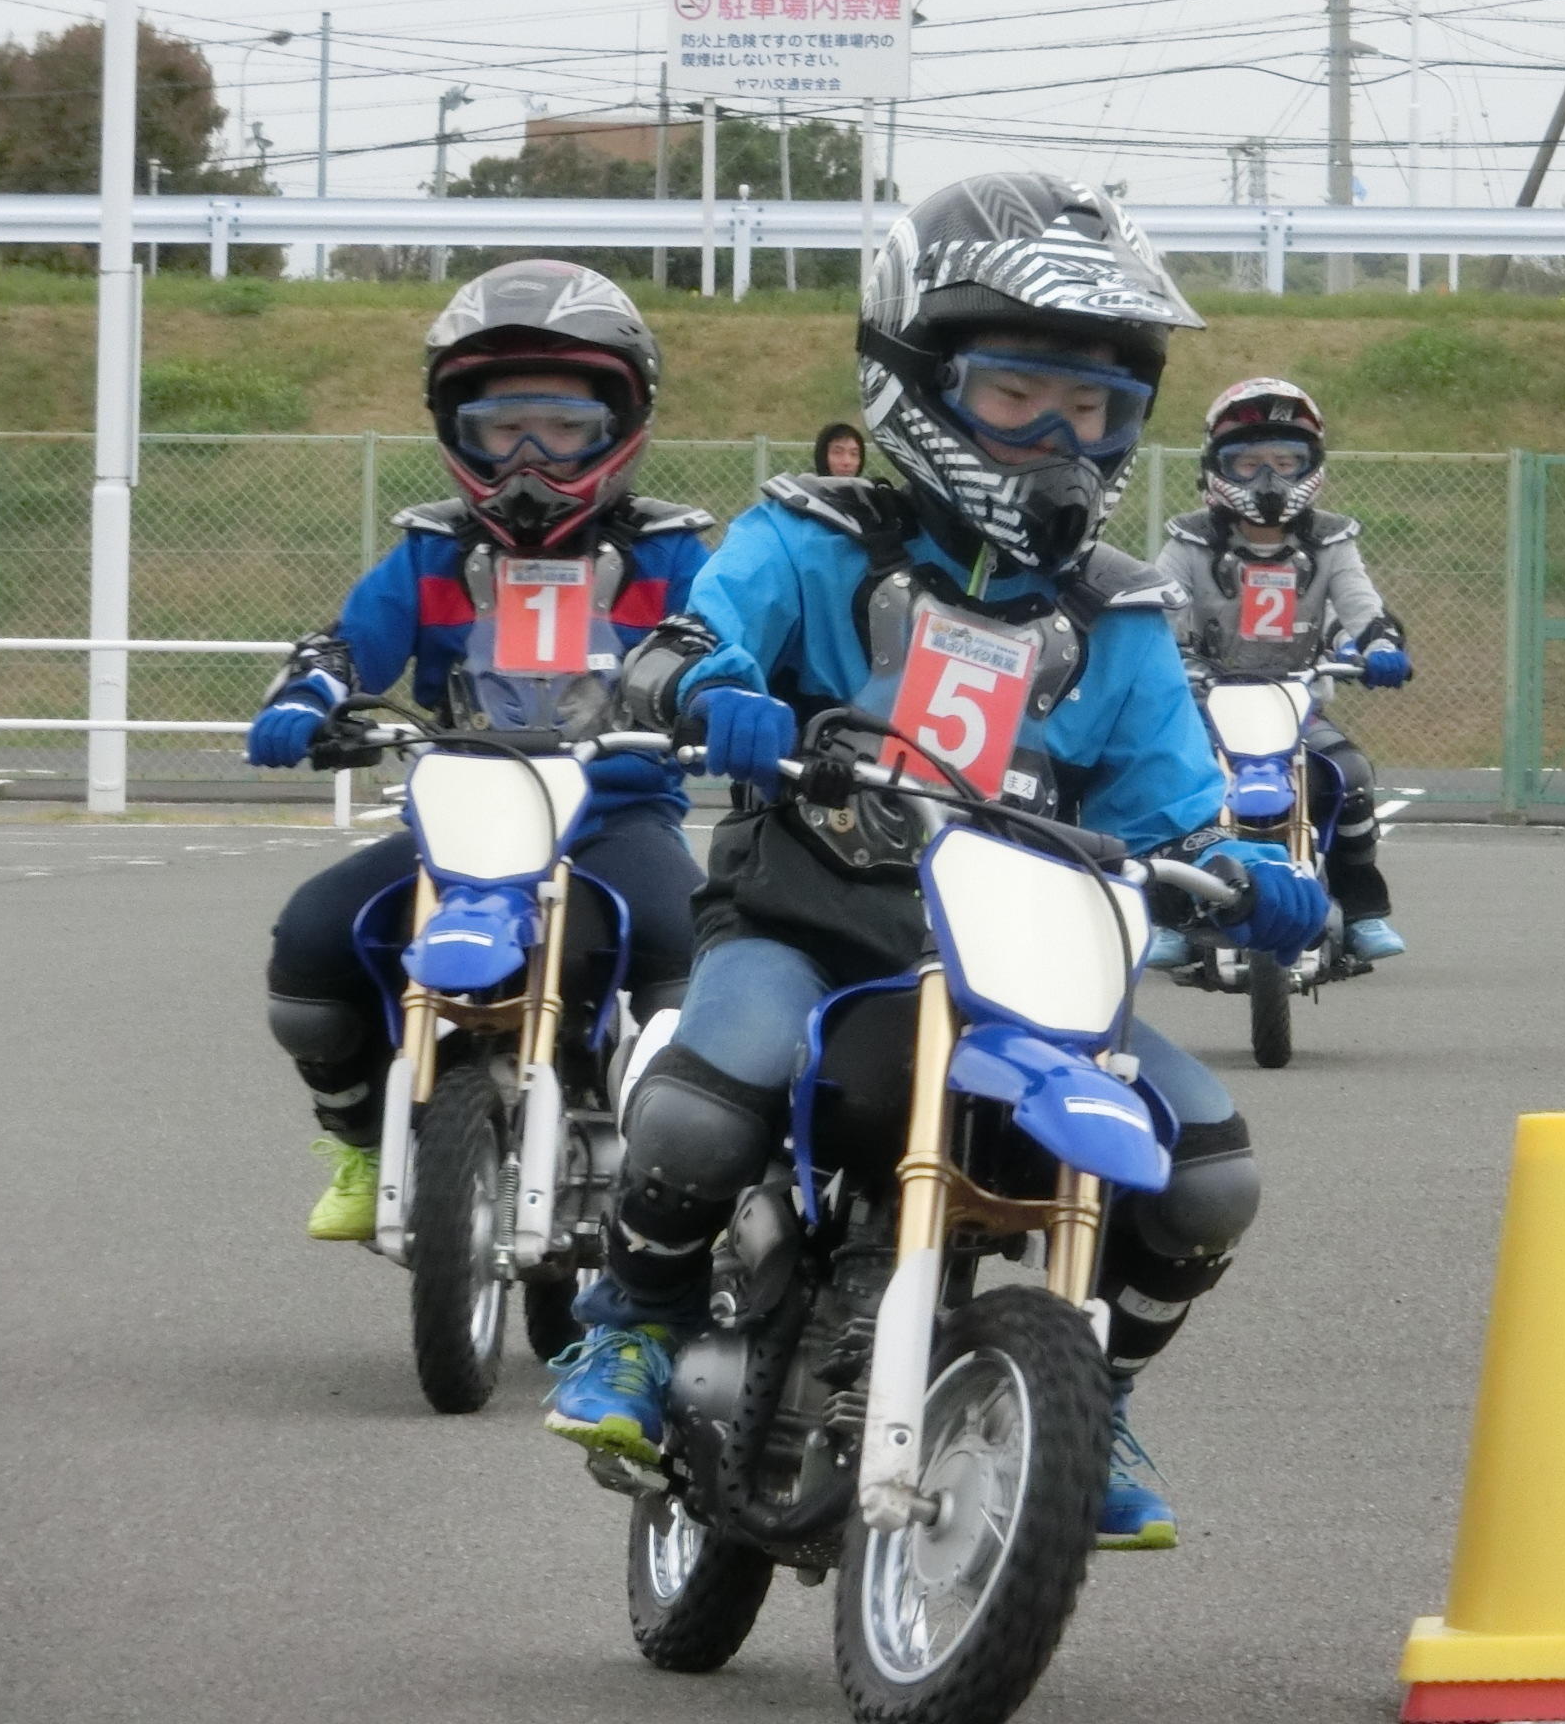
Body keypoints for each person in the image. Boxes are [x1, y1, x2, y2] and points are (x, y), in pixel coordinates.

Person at [541, 173, 1327, 1552]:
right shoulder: (813, 536)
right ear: (918, 375)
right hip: (811, 918)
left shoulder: (1125, 611)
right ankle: (637, 1321)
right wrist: (707, 684)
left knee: (1205, 1175)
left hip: (1027, 972)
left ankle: (1098, 1396)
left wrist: (1241, 865)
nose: (1062, 435)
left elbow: (1173, 799)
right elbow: (682, 640)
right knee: (707, 1100)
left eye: (1097, 406)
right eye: (1021, 392)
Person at [248, 259, 716, 1242]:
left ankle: (681, 1183)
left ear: (618, 425)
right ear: (457, 427)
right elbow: (348, 641)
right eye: (503, 430)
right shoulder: (430, 553)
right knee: (309, 942)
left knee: (689, 953)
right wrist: (307, 695)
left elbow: (720, 645)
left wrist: (725, 705)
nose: (531, 460)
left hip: (614, 818)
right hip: (459, 819)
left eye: (563, 428)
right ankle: (359, 1137)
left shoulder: (671, 552)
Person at [1153, 376, 1413, 964]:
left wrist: (1377, 648)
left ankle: (1363, 907)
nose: (1267, 478)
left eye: (1285, 460)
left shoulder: (1332, 541)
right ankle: (1170, 913)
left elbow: (1360, 608)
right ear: (1217, 467)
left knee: (1350, 775)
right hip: (1204, 700)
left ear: (1310, 467)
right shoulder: (1189, 542)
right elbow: (1157, 610)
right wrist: (1160, 656)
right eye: (1247, 462)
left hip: (1297, 698)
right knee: (1172, 788)